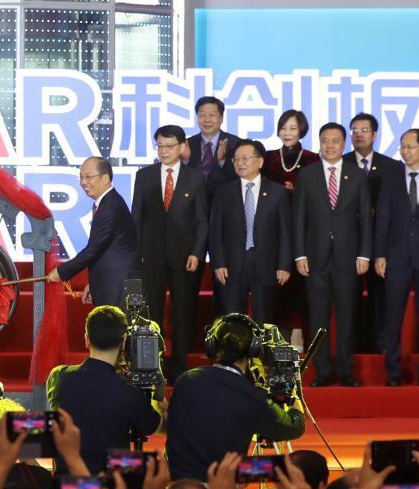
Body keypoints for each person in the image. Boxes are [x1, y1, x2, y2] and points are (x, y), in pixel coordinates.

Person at [165, 313, 305, 489]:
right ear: (254, 351)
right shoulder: (251, 397)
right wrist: (294, 396)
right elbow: (294, 426)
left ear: (212, 345)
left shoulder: (186, 380)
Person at [293, 122, 372, 386]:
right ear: (319, 143)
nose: (329, 145)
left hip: (348, 258)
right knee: (318, 318)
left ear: (344, 143)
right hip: (314, 258)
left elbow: (365, 219)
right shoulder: (307, 175)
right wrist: (300, 254)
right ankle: (323, 371)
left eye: (335, 141)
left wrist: (364, 254)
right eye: (325, 140)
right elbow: (298, 218)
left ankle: (347, 371)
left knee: (347, 317)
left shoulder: (357, 175)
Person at [131, 125, 208, 379]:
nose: (164, 151)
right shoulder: (144, 176)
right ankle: (152, 364)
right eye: (160, 146)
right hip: (151, 254)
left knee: (182, 311)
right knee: (151, 311)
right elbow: (136, 217)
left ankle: (180, 365)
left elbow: (201, 220)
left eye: (169, 146)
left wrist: (197, 252)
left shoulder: (195, 177)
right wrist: (138, 251)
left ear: (182, 147)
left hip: (184, 256)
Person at [46, 305, 161, 474]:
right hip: (112, 486)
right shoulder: (129, 393)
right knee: (152, 466)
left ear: (87, 339)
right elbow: (155, 426)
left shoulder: (58, 377)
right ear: (124, 342)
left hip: (67, 483)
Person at [375, 129, 419, 386]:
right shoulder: (391, 178)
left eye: (410, 146)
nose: (405, 151)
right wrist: (379, 254)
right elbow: (383, 218)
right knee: (393, 316)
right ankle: (393, 372)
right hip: (396, 256)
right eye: (402, 146)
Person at [209, 139, 291, 323]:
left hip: (266, 264)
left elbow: (285, 232)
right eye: (236, 159)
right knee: (233, 322)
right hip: (231, 266)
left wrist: (284, 265)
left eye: (245, 158)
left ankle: (262, 344)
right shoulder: (223, 192)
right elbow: (215, 232)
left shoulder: (277, 192)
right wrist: (218, 263)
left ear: (260, 162)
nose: (240, 163)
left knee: (265, 321)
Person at [46, 156, 140, 306]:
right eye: (81, 177)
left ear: (105, 178)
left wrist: (61, 272)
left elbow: (93, 250)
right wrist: (93, 283)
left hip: (124, 286)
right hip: (116, 283)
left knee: (132, 321)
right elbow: (104, 250)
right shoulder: (106, 203)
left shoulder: (110, 207)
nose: (83, 182)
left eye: (88, 177)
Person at [347, 113, 403, 354]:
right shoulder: (341, 163)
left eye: (364, 130)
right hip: (350, 241)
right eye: (354, 130)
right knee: (350, 294)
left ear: (375, 134)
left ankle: (380, 342)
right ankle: (354, 342)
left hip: (381, 241)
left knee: (380, 294)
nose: (359, 135)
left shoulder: (391, 166)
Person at [263, 110, 319, 352]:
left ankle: (297, 331)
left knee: (298, 281)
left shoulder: (312, 159)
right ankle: (277, 334)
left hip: (302, 227)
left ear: (302, 130)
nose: (287, 133)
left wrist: (296, 190)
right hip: (272, 228)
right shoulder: (267, 158)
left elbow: (317, 193)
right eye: (284, 128)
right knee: (275, 280)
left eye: (293, 128)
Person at [182, 96, 240, 196]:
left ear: (221, 118)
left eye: (212, 115)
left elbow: (241, 177)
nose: (207, 120)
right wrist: (185, 161)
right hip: (194, 202)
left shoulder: (236, 144)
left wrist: (222, 161)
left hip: (226, 201)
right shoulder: (186, 145)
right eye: (202, 115)